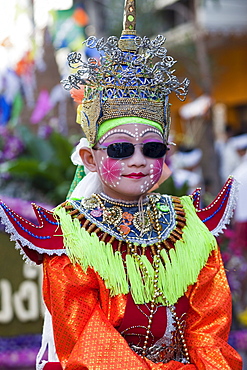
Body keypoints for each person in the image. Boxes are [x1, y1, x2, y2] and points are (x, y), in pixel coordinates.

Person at [0, 1, 242, 369]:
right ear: (90, 158)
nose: (138, 159)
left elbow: (209, 327)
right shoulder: (73, 237)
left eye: (153, 147)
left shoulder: (189, 228)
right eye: (120, 148)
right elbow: (87, 341)